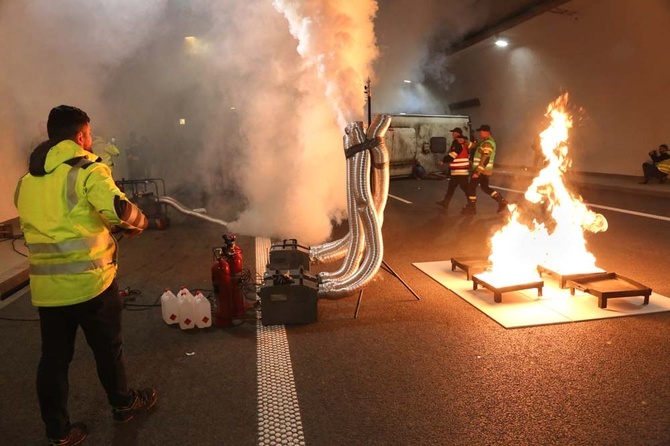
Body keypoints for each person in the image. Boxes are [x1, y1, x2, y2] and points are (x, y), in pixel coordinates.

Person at [14, 105, 157, 445]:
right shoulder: (88, 170)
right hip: (91, 283)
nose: (90, 141)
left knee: (53, 360)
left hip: (48, 289)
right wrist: (140, 223)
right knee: (108, 349)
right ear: (80, 136)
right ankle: (123, 405)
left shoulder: (26, 181)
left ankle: (58, 433)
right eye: (89, 135)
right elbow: (120, 209)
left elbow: (61, 220)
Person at [462, 124, 508, 215]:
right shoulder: (484, 142)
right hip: (485, 171)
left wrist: (478, 172)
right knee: (485, 187)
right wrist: (465, 141)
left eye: (481, 131)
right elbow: (475, 146)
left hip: (482, 170)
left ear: (486, 132)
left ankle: (471, 208)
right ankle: (501, 201)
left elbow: (486, 158)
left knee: (471, 187)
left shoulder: (488, 143)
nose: (480, 133)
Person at [436, 133, 472, 213]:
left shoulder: (459, 146)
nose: (453, 136)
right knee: (451, 188)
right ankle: (446, 202)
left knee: (465, 189)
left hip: (460, 172)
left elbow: (452, 156)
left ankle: (471, 205)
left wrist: (443, 161)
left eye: (457, 137)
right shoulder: (464, 147)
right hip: (458, 172)